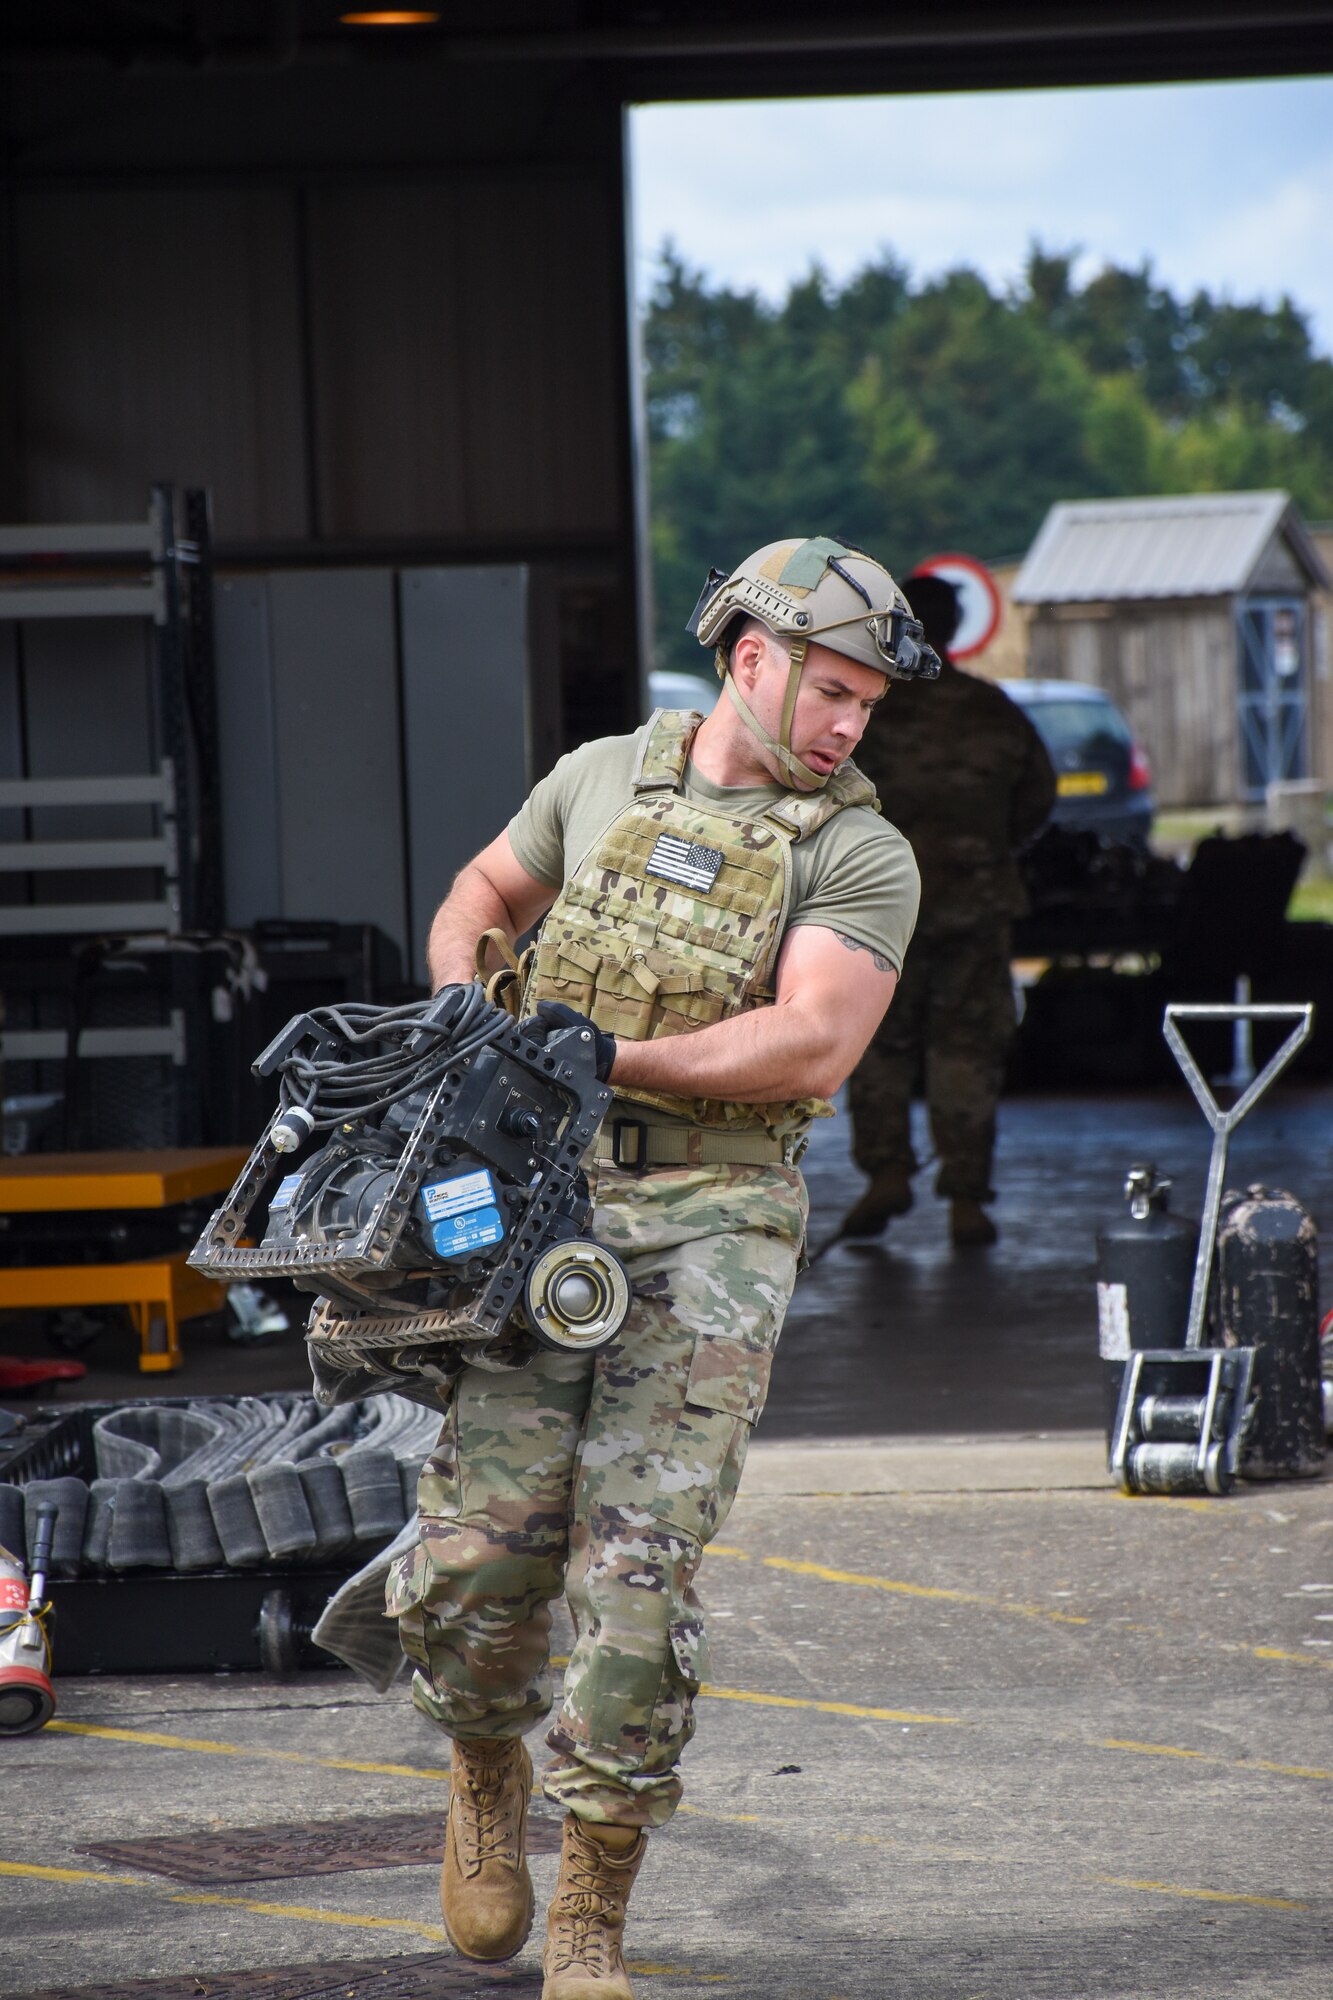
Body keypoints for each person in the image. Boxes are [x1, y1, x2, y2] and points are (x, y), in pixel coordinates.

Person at [395, 536, 929, 1997]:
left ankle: (593, 1918)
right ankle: (486, 1763)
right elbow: (477, 897)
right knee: (475, 1563)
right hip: (543, 1209)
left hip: (714, 1221)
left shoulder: (855, 849)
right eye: (829, 690)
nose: (845, 725)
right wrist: (466, 1007)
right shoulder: (598, 780)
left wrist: (603, 1056)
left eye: (866, 707)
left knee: (637, 1571)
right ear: (746, 655)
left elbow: (814, 1038)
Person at [842, 571, 1055, 1247]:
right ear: (955, 630)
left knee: (876, 1043)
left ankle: (885, 1175)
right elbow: (1038, 800)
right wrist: (984, 851)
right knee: (966, 1049)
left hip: (879, 911)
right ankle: (966, 1199)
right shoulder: (991, 710)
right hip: (973, 904)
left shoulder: (864, 713)